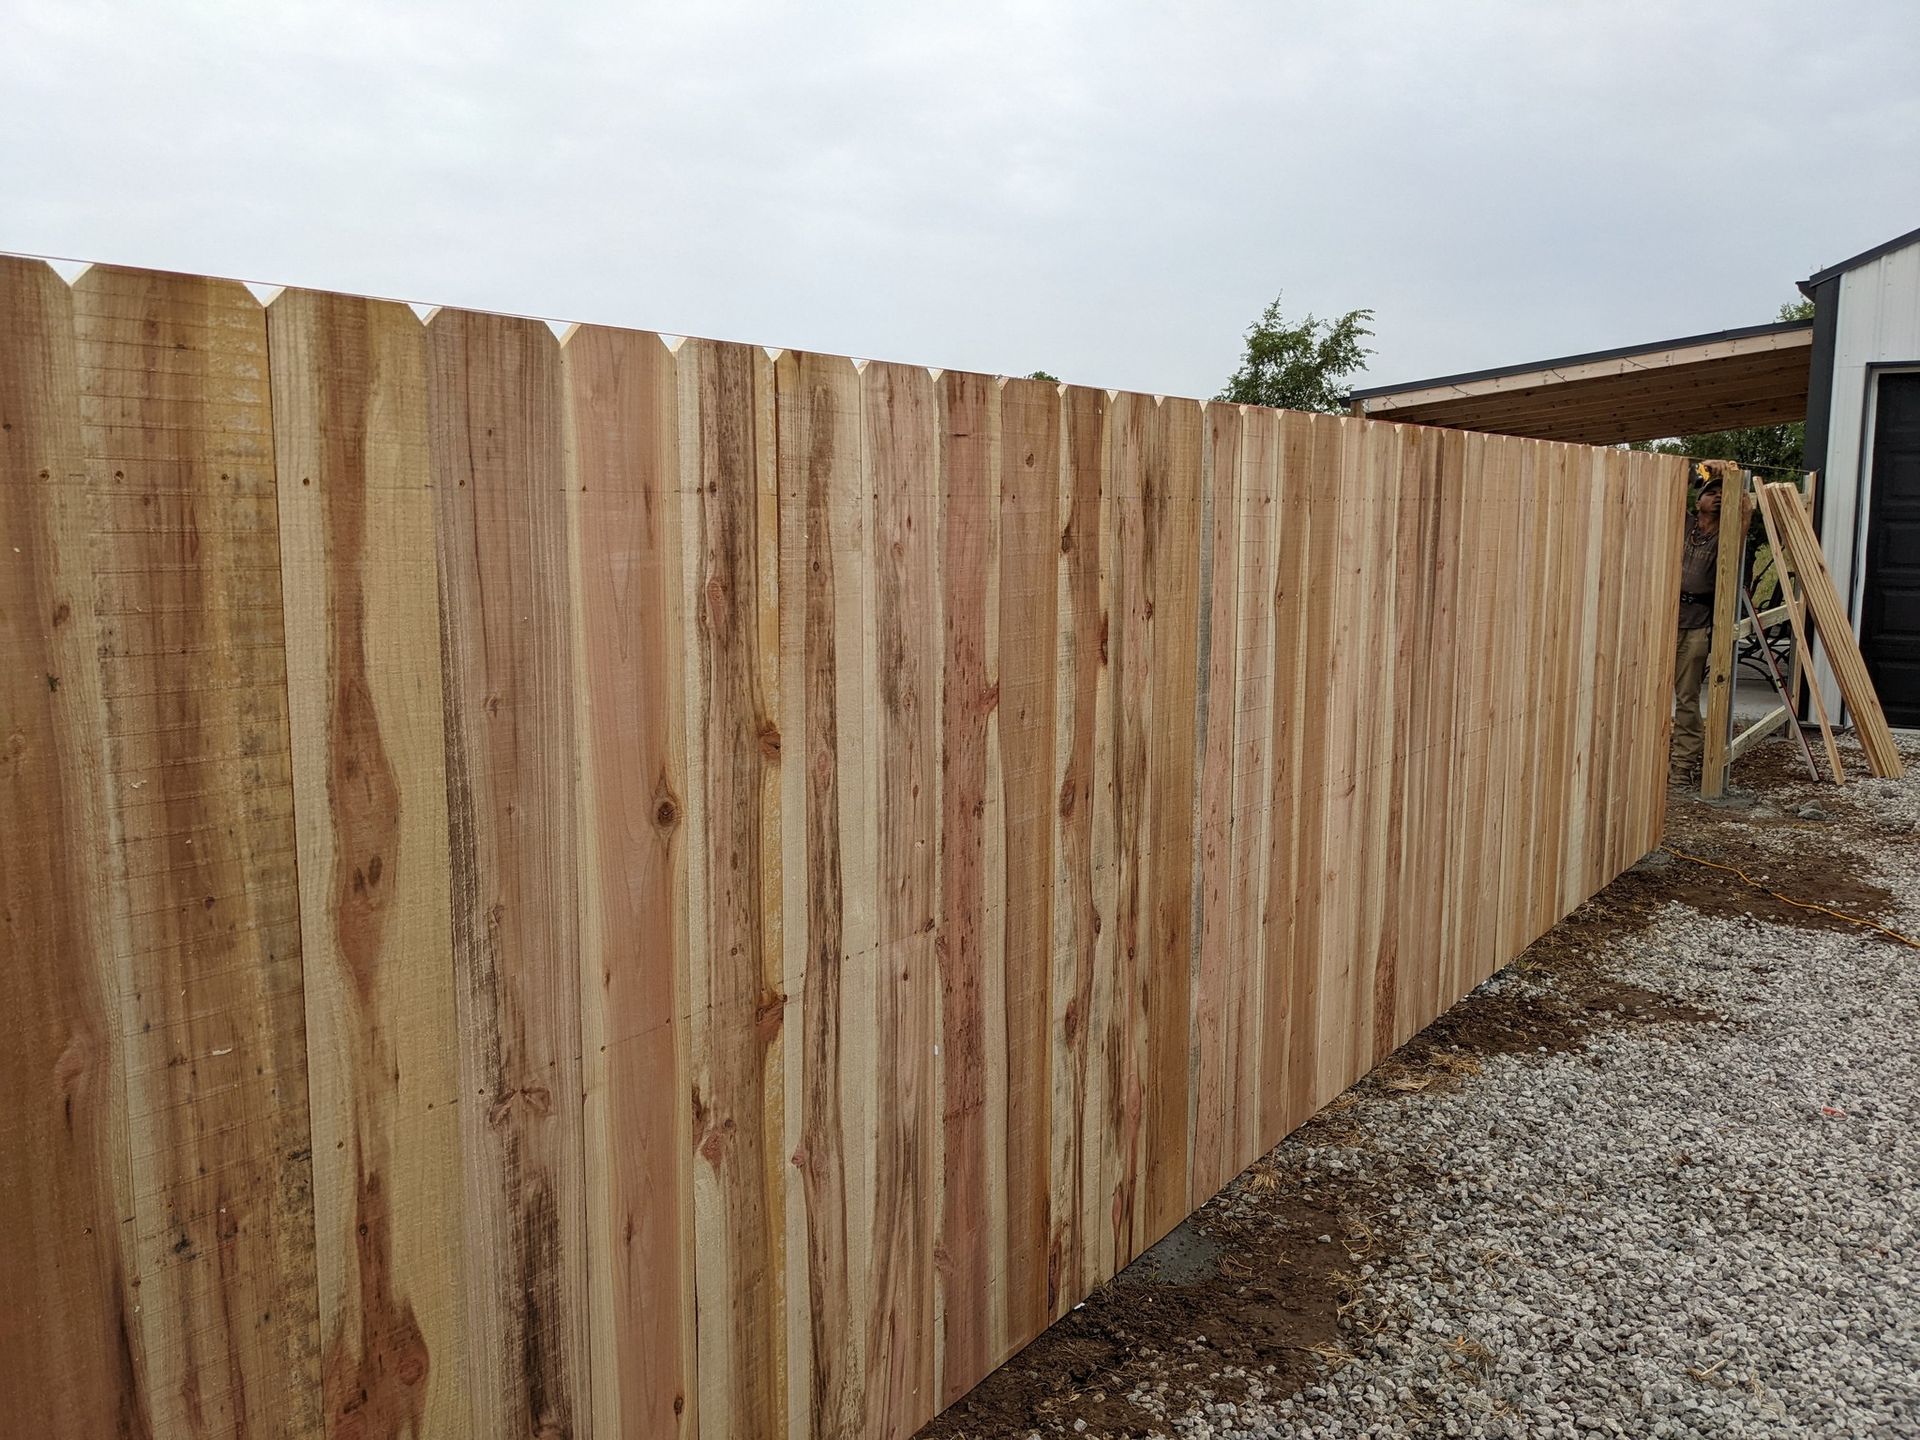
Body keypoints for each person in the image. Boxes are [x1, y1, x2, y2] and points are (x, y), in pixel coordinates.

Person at [1671, 473, 1721, 784]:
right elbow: (1671, 490)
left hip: (1697, 626)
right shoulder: (1686, 526)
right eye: (1711, 492)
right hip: (1665, 620)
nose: (1717, 497)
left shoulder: (1724, 537)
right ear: (1698, 499)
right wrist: (1694, 472)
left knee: (1686, 698)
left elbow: (1744, 514)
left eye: (1722, 494)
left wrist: (1732, 478)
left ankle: (1682, 766)